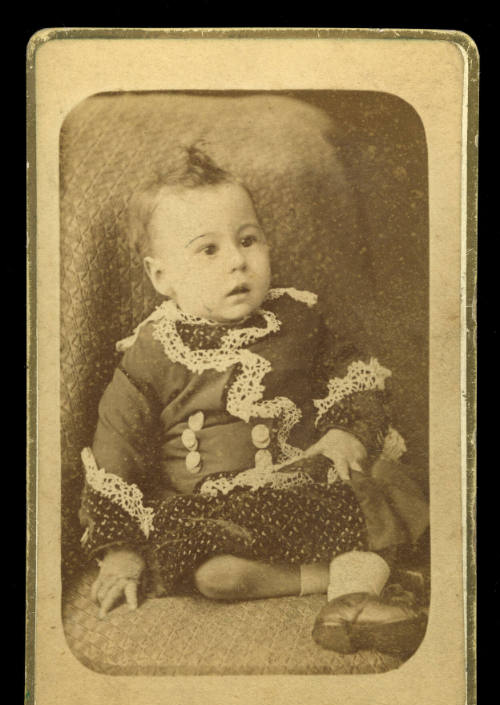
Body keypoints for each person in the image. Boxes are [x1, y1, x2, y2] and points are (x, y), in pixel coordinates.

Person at [79, 147, 429, 656]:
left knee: (378, 485)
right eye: (208, 250)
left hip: (307, 483)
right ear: (161, 277)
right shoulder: (152, 352)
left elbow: (354, 375)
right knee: (217, 576)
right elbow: (116, 449)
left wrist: (345, 430)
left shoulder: (298, 319)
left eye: (248, 240)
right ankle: (341, 582)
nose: (238, 261)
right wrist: (122, 550)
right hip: (219, 511)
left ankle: (355, 607)